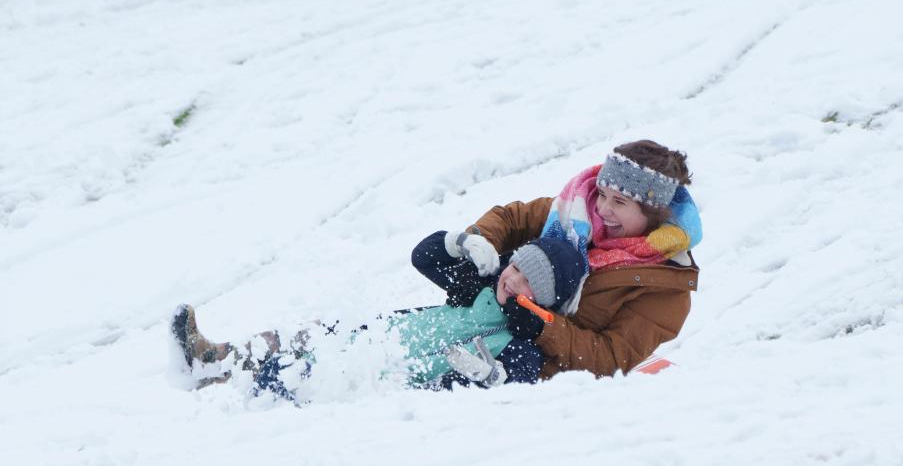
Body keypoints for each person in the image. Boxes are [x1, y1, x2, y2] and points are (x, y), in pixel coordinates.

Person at [171, 233, 587, 400]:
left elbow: (517, 382)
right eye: (515, 267)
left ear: (544, 302)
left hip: (373, 372)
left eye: (528, 281)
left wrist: (485, 376)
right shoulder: (480, 286)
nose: (512, 280)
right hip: (369, 335)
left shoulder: (520, 345)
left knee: (279, 378)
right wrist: (459, 243)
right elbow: (423, 257)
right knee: (290, 339)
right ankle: (212, 361)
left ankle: (229, 423)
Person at [447, 139, 702, 379]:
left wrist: (543, 328)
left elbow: (610, 357)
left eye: (619, 202)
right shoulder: (576, 215)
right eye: (602, 194)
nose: (602, 210)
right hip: (487, 320)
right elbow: (513, 218)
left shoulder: (666, 288)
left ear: (653, 214)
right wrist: (477, 248)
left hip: (530, 367)